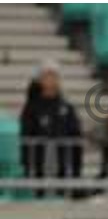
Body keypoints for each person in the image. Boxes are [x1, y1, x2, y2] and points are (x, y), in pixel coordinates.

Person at [20, 60, 82, 190]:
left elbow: (76, 134)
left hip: (63, 166)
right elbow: (26, 135)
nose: (51, 79)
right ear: (40, 79)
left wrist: (76, 169)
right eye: (47, 75)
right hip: (38, 166)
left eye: (54, 75)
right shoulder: (31, 108)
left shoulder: (66, 107)